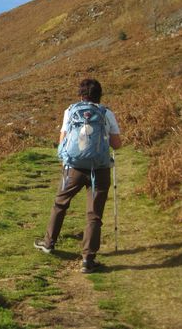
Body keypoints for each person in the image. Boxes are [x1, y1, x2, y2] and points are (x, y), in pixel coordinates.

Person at [34, 79, 121, 273]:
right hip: (99, 169)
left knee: (60, 203)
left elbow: (63, 140)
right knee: (94, 214)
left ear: (81, 95)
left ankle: (48, 243)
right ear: (100, 95)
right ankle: (88, 261)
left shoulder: (70, 111)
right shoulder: (106, 114)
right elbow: (117, 144)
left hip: (73, 168)